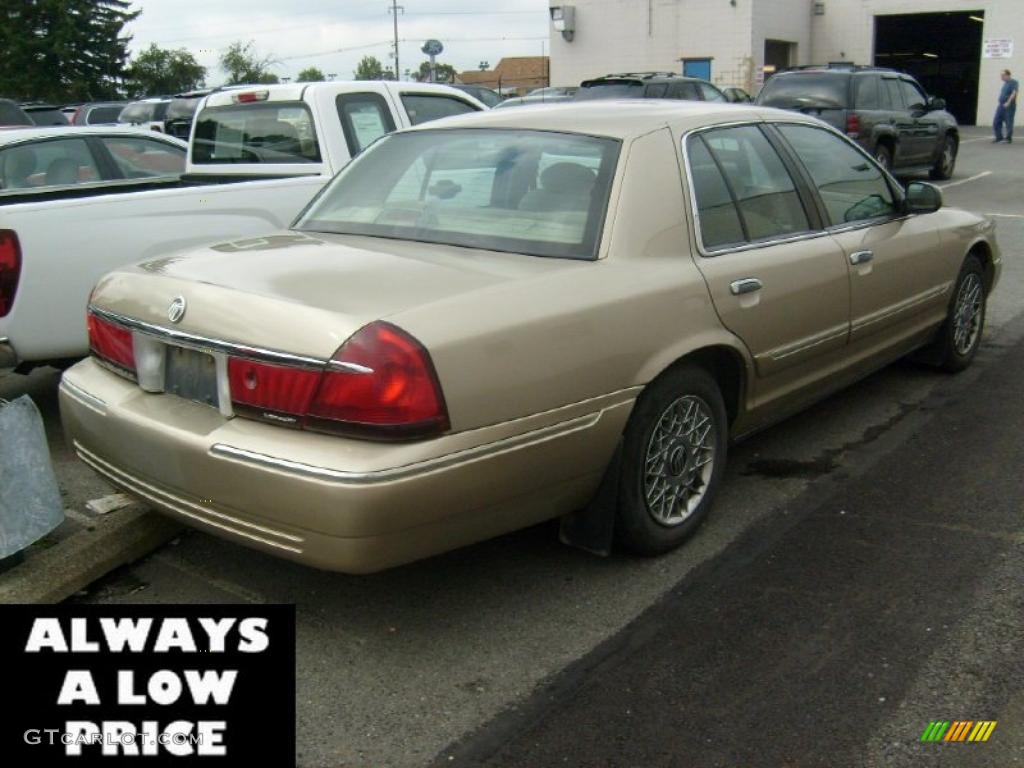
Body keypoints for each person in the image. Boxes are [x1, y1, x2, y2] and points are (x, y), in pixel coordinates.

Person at [993, 69, 1018, 143]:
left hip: (1009, 106)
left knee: (1008, 122)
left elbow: (1014, 93)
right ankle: (999, 137)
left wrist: (1008, 102)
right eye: (1001, 76)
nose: (1002, 77)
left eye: (1003, 76)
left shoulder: (1013, 82)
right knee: (996, 121)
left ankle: (1008, 138)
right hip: (1001, 105)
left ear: (1008, 75)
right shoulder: (1005, 84)